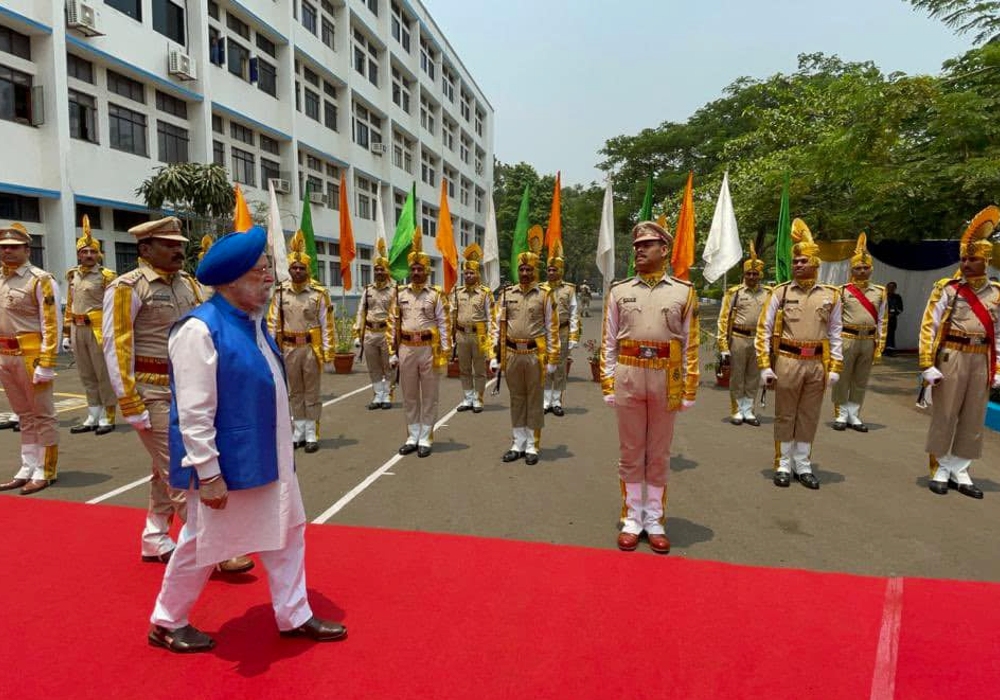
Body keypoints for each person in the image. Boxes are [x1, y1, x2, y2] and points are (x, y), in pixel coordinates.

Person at [148, 226, 346, 653]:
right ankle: (167, 621)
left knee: (289, 531)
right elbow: (194, 414)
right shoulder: (200, 330)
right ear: (233, 280)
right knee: (202, 543)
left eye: (268, 268)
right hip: (228, 465)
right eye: (261, 271)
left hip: (269, 458)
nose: (271, 277)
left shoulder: (252, 322)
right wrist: (209, 473)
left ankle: (294, 614)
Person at [104, 216, 253, 574]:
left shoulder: (189, 284)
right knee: (183, 470)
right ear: (145, 249)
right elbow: (116, 345)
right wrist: (129, 401)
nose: (179, 250)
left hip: (184, 389)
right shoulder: (128, 288)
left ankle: (154, 538)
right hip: (150, 391)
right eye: (169, 245)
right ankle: (213, 549)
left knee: (164, 468)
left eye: (181, 244)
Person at [600, 221, 698, 554]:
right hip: (629, 375)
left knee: (658, 452)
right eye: (637, 245)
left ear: (664, 249)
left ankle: (654, 519)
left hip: (665, 377)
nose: (639, 250)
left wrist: (690, 387)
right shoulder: (619, 291)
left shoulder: (683, 292)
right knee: (630, 451)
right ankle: (632, 518)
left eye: (647, 244)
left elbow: (691, 344)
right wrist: (608, 380)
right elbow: (609, 340)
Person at [755, 218, 843, 490]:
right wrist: (764, 365)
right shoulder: (780, 293)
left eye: (803, 261)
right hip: (788, 360)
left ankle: (803, 465)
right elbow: (764, 328)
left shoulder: (831, 295)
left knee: (809, 415)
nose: (797, 265)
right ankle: (782, 463)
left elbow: (836, 330)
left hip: (816, 362)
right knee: (785, 414)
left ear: (815, 264)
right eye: (795, 261)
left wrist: (836, 366)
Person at [919, 206, 1000, 499]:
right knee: (946, 412)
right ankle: (940, 467)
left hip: (981, 359)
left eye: (973, 259)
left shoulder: (997, 294)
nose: (966, 263)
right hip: (951, 355)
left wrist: (998, 368)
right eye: (963, 258)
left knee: (973, 415)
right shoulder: (948, 288)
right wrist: (927, 364)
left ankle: (960, 469)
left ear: (986, 261)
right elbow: (928, 326)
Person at [491, 225, 560, 465]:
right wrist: (494, 355)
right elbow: (496, 326)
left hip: (534, 355)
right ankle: (517, 442)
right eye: (521, 269)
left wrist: (552, 358)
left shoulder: (544, 295)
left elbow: (552, 329)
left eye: (528, 269)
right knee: (516, 398)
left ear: (535, 271)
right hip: (511, 354)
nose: (524, 272)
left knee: (534, 398)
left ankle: (532, 445)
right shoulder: (507, 294)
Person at [0, 223, 60, 495]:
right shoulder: (0, 278)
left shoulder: (40, 279)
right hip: (5, 355)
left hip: (32, 356)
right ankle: (28, 465)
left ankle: (46, 469)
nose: (7, 252)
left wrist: (48, 361)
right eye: (3, 247)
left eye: (13, 247)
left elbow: (52, 322)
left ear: (27, 249)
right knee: (23, 415)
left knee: (43, 415)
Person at [267, 232, 334, 453]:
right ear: (289, 269)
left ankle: (312, 433)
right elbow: (272, 322)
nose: (297, 271)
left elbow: (326, 324)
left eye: (301, 268)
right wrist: (270, 350)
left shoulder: (318, 293)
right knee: (295, 391)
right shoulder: (280, 292)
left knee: (312, 392)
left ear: (308, 269)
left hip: (310, 348)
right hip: (288, 348)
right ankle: (299, 431)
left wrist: (327, 351)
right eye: (294, 267)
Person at [387, 228, 450, 457]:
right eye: (413, 269)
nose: (415, 272)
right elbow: (393, 322)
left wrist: (445, 351)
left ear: (427, 271)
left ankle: (426, 437)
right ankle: (412, 435)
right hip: (406, 348)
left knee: (430, 394)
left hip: (428, 349)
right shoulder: (400, 294)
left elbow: (444, 323)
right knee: (410, 393)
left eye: (419, 269)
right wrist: (392, 351)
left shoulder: (435, 294)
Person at [63, 217, 118, 435]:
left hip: (99, 330)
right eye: (84, 251)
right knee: (86, 374)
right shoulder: (72, 275)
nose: (88, 255)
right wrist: (66, 333)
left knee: (103, 373)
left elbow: (115, 306)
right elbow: (70, 304)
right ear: (78, 254)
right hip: (78, 329)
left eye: (92, 252)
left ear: (99, 254)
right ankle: (93, 414)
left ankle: (108, 416)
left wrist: (112, 333)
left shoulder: (107, 276)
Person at [831, 233, 886, 432]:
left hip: (868, 340)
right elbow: (835, 322)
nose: (862, 271)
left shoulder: (880, 292)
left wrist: (879, 345)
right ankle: (840, 413)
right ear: (851, 269)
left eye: (865, 267)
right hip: (847, 338)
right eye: (858, 268)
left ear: (871, 269)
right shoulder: (843, 291)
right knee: (842, 378)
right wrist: (834, 347)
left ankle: (854, 414)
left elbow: (882, 320)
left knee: (861, 379)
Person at [717, 242, 769, 426]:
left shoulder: (769, 294)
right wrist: (723, 347)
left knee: (754, 376)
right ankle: (737, 410)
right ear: (744, 274)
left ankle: (749, 410)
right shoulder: (735, 293)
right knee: (738, 376)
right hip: (738, 338)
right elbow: (723, 319)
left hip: (759, 340)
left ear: (760, 274)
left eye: (755, 273)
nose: (752, 276)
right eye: (749, 273)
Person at [452, 243, 494, 413]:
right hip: (461, 335)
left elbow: (491, 317)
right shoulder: (457, 292)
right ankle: (467, 398)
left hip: (479, 335)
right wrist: (451, 337)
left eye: (471, 273)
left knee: (479, 369)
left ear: (477, 275)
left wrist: (491, 340)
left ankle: (478, 399)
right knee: (464, 369)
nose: (468, 275)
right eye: (466, 273)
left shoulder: (485, 293)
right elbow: (453, 315)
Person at [353, 239, 394, 410]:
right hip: (370, 333)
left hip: (386, 334)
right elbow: (361, 312)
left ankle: (388, 396)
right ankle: (378, 395)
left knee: (388, 367)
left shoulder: (394, 291)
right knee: (373, 366)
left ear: (387, 271)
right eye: (376, 269)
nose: (378, 272)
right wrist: (357, 333)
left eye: (381, 269)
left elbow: (397, 316)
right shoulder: (368, 290)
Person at [541, 240, 579, 416]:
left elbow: (574, 314)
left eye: (554, 269)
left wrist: (573, 337)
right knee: (545, 367)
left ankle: (556, 401)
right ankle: (546, 401)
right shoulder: (540, 289)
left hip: (562, 332)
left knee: (560, 368)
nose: (551, 272)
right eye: (548, 269)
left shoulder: (569, 290)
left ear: (560, 271)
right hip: (543, 334)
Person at [886, 281, 903, 354]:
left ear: (895, 288)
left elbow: (900, 309)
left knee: (890, 335)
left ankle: (890, 351)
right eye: (889, 287)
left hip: (892, 319)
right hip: (882, 319)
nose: (891, 289)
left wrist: (893, 313)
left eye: (893, 287)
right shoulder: (883, 296)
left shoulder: (897, 297)